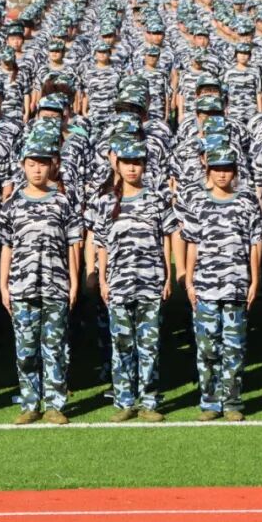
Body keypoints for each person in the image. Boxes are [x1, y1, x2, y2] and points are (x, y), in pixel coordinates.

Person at [92, 137, 180, 423]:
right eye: (127, 163)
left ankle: (149, 401)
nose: (132, 169)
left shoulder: (157, 198)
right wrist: (103, 280)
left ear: (144, 166)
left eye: (137, 163)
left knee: (149, 345)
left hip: (150, 281)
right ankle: (124, 401)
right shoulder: (106, 201)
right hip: (118, 283)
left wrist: (167, 275)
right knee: (122, 346)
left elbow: (167, 237)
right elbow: (101, 244)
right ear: (117, 165)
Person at [0, 137, 83, 426]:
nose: (37, 170)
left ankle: (55, 404)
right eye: (32, 164)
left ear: (52, 167)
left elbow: (72, 245)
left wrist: (73, 281)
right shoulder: (12, 204)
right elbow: (7, 247)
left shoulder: (62, 201)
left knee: (55, 347)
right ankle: (30, 403)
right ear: (22, 166)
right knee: (26, 349)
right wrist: (3, 285)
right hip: (21, 286)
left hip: (55, 284)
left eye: (43, 164)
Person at [178, 145, 262, 422]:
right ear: (208, 170)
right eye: (216, 169)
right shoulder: (198, 202)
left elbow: (255, 243)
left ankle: (232, 402)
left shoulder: (247, 202)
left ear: (235, 171)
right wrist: (189, 280)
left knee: (234, 347)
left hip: (236, 285)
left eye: (227, 169)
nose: (222, 174)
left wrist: (254, 279)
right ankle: (210, 401)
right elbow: (192, 243)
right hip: (205, 286)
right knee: (207, 348)